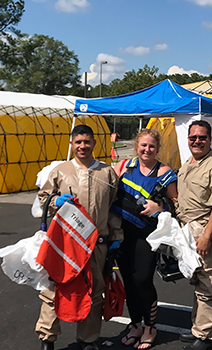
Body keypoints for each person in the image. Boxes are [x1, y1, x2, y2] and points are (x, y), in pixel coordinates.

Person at [35, 124, 123, 350]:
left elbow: (115, 207)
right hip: (65, 246)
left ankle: (88, 339)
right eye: (78, 142)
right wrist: (55, 201)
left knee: (94, 291)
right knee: (53, 290)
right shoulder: (60, 171)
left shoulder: (107, 173)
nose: (83, 146)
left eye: (87, 142)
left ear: (94, 143)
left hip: (97, 245)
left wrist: (116, 235)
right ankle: (47, 337)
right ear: (72, 144)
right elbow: (42, 200)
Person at [111, 128, 177, 350]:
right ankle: (136, 324)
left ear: (157, 149)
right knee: (128, 279)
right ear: (136, 146)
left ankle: (151, 327)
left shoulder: (164, 172)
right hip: (123, 232)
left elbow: (177, 204)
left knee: (142, 280)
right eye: (143, 145)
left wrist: (159, 206)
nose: (147, 149)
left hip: (147, 235)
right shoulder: (124, 167)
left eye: (151, 146)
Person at [176, 120, 212, 350]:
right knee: (198, 281)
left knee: (211, 284)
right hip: (188, 231)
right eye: (193, 138)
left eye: (202, 137)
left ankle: (208, 336)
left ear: (210, 139)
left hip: (207, 232)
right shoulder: (188, 164)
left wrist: (207, 236)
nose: (197, 141)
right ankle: (199, 327)